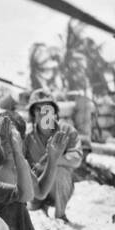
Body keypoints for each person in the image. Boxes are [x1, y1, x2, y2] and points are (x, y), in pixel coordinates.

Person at [22, 90, 83, 220]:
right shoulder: (26, 135)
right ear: (33, 113)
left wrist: (53, 160)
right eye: (39, 109)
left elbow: (76, 159)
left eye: (47, 109)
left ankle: (61, 216)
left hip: (58, 188)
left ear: (54, 112)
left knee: (60, 171)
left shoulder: (66, 131)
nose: (44, 113)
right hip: (36, 186)